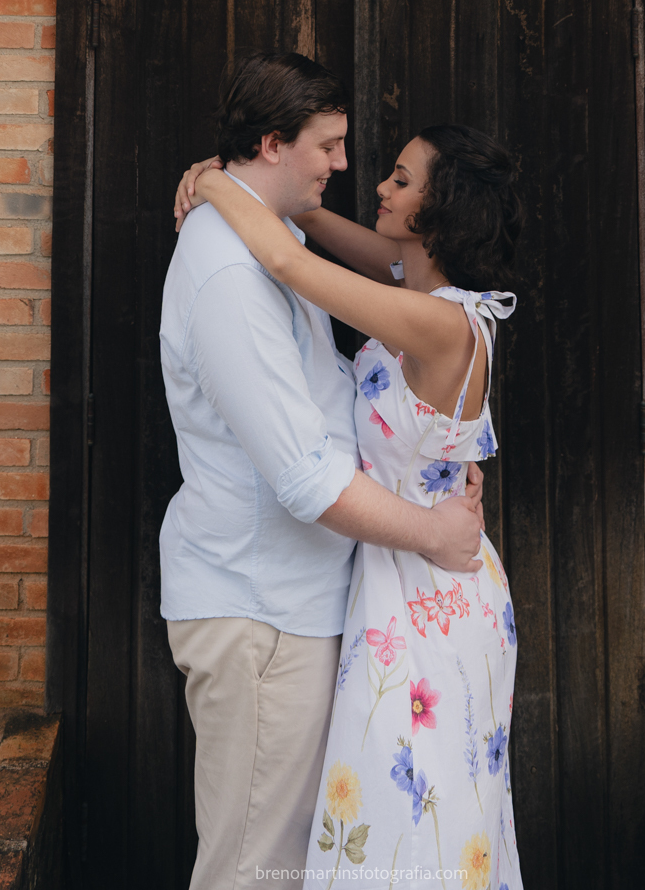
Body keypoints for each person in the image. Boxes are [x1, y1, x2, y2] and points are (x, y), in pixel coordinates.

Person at [159, 52, 485, 890]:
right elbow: (306, 481)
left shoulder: (280, 245)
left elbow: (332, 261)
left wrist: (218, 181)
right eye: (330, 145)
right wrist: (439, 532)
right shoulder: (234, 271)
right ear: (273, 143)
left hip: (322, 604)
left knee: (313, 855)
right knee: (255, 870)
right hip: (264, 606)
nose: (349, 167)